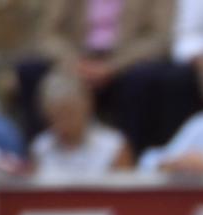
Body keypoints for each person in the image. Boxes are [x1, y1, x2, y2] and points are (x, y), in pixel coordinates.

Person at [19, 0, 176, 153]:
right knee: (30, 70)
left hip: (127, 62)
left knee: (144, 80)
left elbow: (159, 38)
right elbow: (48, 34)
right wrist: (74, 63)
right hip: (75, 58)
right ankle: (37, 155)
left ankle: (132, 157)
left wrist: (113, 66)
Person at [30, 67, 130, 174]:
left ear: (87, 106)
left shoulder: (114, 146)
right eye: (57, 115)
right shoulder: (40, 148)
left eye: (69, 113)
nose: (64, 121)